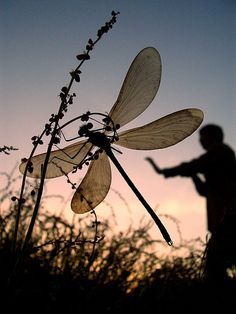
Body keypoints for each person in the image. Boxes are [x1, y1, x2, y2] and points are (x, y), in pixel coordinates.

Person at [146, 124, 236, 284]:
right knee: (217, 268)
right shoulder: (216, 162)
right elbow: (204, 190)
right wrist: (192, 175)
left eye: (203, 137)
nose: (200, 141)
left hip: (228, 219)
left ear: (212, 136)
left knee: (214, 270)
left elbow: (194, 165)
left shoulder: (221, 152)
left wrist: (165, 172)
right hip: (222, 221)